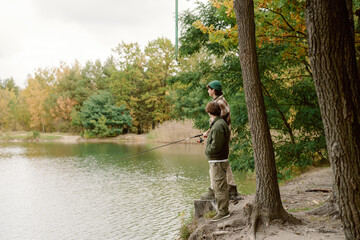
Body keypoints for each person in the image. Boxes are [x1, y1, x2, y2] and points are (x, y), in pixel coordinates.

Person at [201, 80, 240, 200]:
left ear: (214, 90)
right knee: (224, 163)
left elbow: (218, 121)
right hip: (219, 135)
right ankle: (231, 188)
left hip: (221, 137)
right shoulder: (216, 101)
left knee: (215, 161)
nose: (208, 90)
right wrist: (208, 132)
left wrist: (211, 132)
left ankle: (214, 190)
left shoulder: (220, 102)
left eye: (209, 88)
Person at [204, 101, 231, 221]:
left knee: (219, 187)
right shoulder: (219, 123)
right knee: (221, 186)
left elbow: (216, 146)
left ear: (210, 112)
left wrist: (207, 151)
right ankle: (223, 209)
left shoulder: (218, 125)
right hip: (219, 159)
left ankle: (223, 212)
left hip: (218, 161)